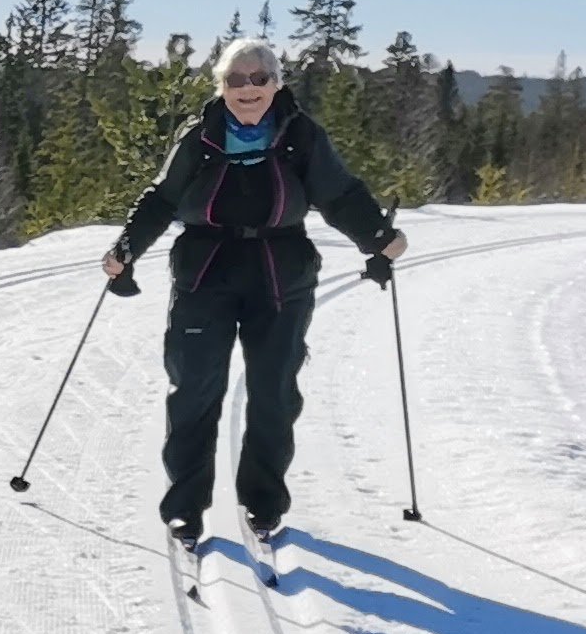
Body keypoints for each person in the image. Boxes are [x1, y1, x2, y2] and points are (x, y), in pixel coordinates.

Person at [102, 34, 408, 547]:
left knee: (274, 394)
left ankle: (263, 503)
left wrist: (378, 238)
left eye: (259, 79)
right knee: (195, 390)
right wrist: (126, 249)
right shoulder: (199, 136)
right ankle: (185, 509)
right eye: (236, 80)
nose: (248, 89)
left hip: (280, 271)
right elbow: (162, 197)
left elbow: (339, 193)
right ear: (221, 86)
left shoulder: (300, 134)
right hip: (206, 269)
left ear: (276, 83)